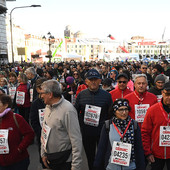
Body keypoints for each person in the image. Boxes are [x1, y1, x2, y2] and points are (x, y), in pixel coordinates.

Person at [74, 69, 113, 170]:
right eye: (91, 80)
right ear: (86, 81)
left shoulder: (107, 95)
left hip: (102, 132)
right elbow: (75, 112)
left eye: (95, 79)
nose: (93, 82)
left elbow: (111, 114)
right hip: (87, 131)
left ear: (100, 81)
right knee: (90, 157)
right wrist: (80, 125)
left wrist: (107, 127)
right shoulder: (81, 95)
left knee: (102, 156)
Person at [40, 80, 82, 170]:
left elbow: (76, 139)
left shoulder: (68, 110)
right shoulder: (48, 106)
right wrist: (43, 153)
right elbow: (44, 130)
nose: (41, 96)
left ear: (50, 94)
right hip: (50, 158)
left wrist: (75, 166)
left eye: (42, 93)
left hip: (64, 161)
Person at [93, 98, 145, 170]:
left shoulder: (134, 125)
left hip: (130, 167)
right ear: (114, 111)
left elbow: (139, 148)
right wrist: (97, 165)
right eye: (120, 110)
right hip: (112, 167)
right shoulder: (108, 125)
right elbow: (102, 148)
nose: (124, 112)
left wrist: (142, 166)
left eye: (126, 109)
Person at [0, 94, 34, 170]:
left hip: (18, 161)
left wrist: (19, 149)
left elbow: (30, 134)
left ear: (5, 105)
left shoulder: (16, 118)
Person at [141, 82, 170, 170]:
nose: (169, 97)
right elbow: (145, 132)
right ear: (162, 93)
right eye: (167, 94)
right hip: (156, 153)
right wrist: (148, 152)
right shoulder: (152, 110)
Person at [30, 78, 47, 169]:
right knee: (44, 160)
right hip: (42, 137)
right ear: (37, 89)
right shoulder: (35, 104)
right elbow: (33, 121)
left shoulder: (52, 101)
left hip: (55, 138)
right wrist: (41, 132)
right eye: (41, 88)